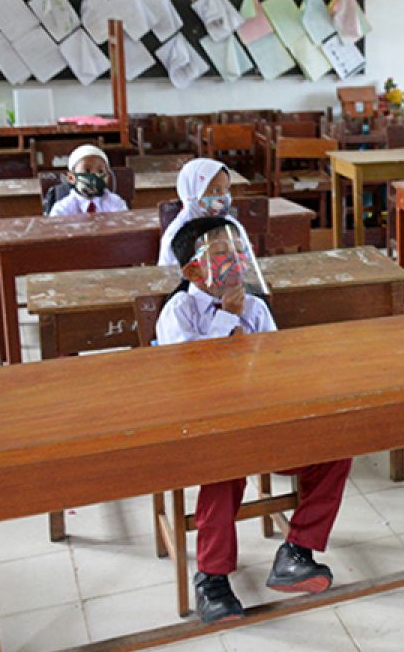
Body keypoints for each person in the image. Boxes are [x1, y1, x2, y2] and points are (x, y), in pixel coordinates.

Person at [156, 216, 353, 624]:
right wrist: (227, 318)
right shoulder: (180, 310)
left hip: (262, 420)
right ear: (194, 269)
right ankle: (211, 578)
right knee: (224, 470)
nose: (237, 261)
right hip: (208, 430)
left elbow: (277, 366)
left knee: (335, 449)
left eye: (239, 251)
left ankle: (297, 551)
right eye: (223, 254)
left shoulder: (257, 307)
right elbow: (187, 376)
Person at [157, 157, 253, 266]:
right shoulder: (176, 234)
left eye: (226, 189)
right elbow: (169, 274)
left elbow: (248, 261)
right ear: (192, 193)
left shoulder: (233, 226)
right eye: (215, 190)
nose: (223, 196)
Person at [46, 144, 128, 216]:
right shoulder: (62, 209)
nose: (95, 175)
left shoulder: (116, 203)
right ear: (71, 177)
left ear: (107, 177)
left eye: (101, 171)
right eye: (86, 171)